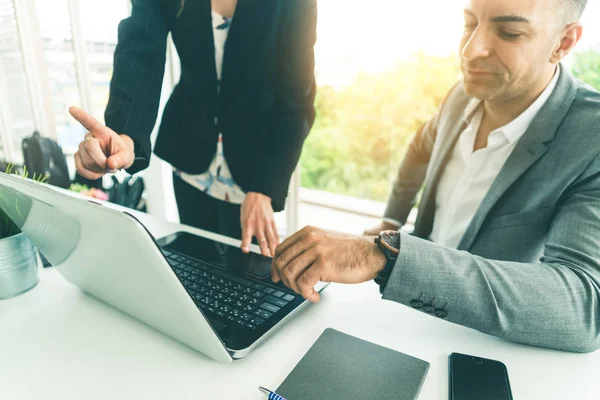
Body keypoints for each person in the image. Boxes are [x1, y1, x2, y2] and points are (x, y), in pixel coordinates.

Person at [272, 0, 600, 353]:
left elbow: (583, 307)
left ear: (563, 43)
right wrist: (390, 218)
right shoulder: (463, 94)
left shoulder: (591, 138)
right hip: (410, 321)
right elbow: (419, 150)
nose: (472, 50)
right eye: (469, 23)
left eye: (509, 32)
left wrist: (385, 254)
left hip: (485, 351)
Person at [69, 0, 317, 257]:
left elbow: (297, 99)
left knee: (248, 275)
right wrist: (125, 134)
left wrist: (265, 186)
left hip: (257, 166)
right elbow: (140, 48)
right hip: (191, 153)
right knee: (198, 266)